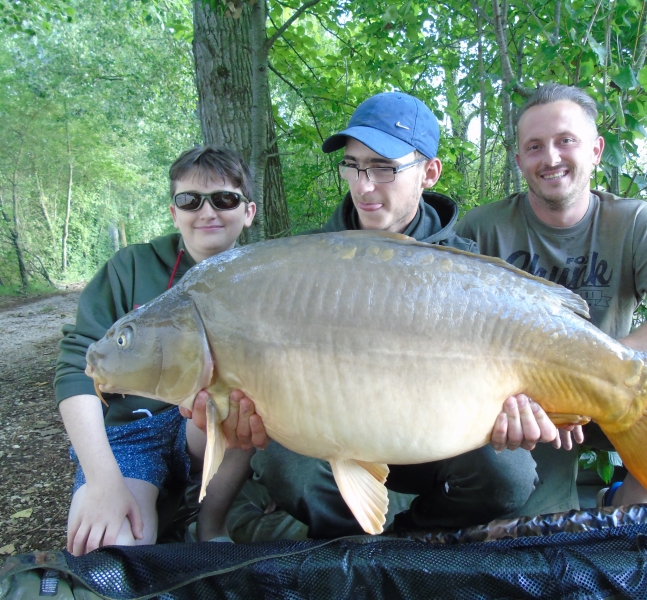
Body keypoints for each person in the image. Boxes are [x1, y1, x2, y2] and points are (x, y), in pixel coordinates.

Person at [187, 92, 583, 539]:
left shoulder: (467, 270)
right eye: (353, 166)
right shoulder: (306, 263)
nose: (363, 186)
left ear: (428, 172)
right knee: (283, 466)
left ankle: (409, 541)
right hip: (330, 434)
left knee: (508, 475)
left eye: (384, 168)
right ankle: (352, 540)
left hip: (437, 443)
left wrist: (526, 410)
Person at [455, 83, 647, 512]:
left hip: (612, 395)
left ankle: (625, 507)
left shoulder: (632, 221)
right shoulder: (483, 228)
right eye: (534, 146)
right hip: (527, 408)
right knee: (537, 535)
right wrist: (540, 394)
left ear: (596, 150)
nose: (550, 158)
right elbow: (452, 336)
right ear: (519, 160)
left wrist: (587, 373)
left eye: (566, 141)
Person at [54, 146, 258, 555]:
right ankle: (139, 498)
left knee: (241, 401)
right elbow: (78, 363)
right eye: (190, 200)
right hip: (134, 433)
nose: (207, 212)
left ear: (248, 211)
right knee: (114, 550)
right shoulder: (130, 267)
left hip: (209, 429)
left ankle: (209, 529)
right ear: (174, 211)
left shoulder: (264, 276)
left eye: (224, 199)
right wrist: (101, 481)